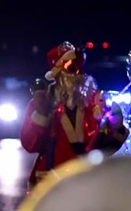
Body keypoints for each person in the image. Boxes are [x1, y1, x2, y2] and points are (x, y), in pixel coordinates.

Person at [20, 41, 129, 192]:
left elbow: (105, 149)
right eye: (72, 67)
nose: (77, 74)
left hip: (87, 184)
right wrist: (41, 114)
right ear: (58, 71)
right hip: (50, 185)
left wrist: (116, 128)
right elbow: (30, 144)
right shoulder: (43, 101)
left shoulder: (96, 102)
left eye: (80, 67)